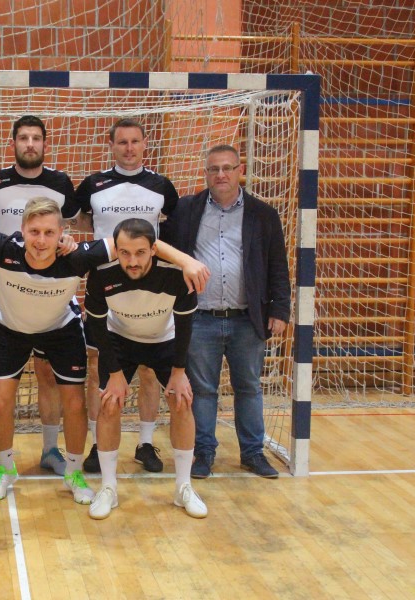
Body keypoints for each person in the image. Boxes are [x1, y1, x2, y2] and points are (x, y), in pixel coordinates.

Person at [0, 198, 203, 507]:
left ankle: (74, 473)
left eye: (49, 232)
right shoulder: (1, 248)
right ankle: (5, 470)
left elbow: (135, 242)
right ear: (22, 230)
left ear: (62, 233)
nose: (41, 240)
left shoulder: (77, 257)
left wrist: (186, 261)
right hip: (11, 329)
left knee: (75, 403)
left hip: (61, 331)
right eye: (34, 231)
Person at [160, 144, 291, 479]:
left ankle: (253, 453)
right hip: (200, 317)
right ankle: (203, 453)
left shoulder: (263, 214)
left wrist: (280, 309)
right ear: (206, 173)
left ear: (239, 171)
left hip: (247, 318)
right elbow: (163, 251)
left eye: (227, 168)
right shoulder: (186, 210)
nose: (221, 175)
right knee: (203, 390)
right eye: (214, 169)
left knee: (249, 387)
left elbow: (278, 264)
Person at [75, 118, 193, 476]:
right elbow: (83, 224)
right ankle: (99, 443)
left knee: (148, 371)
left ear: (145, 144)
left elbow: (166, 234)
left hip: (149, 289)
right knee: (98, 368)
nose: (129, 148)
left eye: (135, 141)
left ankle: (145, 442)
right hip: (108, 289)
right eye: (122, 142)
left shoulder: (162, 187)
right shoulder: (92, 185)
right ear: (111, 145)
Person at [0, 115, 82, 477]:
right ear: (13, 143)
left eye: (36, 138)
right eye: (23, 137)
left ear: (45, 143)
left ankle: (50, 449)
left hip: (51, 292)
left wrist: (65, 240)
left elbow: (69, 227)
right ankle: (1, 457)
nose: (30, 144)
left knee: (48, 375)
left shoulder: (61, 183)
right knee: (4, 387)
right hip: (10, 292)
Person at [83, 218, 206, 520]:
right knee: (109, 403)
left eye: (140, 252)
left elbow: (185, 325)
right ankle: (108, 488)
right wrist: (114, 375)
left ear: (153, 249)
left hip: (165, 341)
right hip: (120, 339)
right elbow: (97, 327)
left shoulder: (176, 275)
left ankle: (184, 487)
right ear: (116, 250)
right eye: (125, 253)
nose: (132, 261)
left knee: (181, 401)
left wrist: (179, 372)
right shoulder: (101, 275)